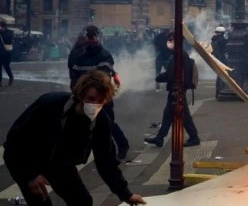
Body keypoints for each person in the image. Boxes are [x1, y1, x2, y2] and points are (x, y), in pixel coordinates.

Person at [3, 70, 146, 206]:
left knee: (82, 201)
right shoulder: (50, 104)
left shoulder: (101, 121)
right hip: (26, 158)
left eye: (100, 101)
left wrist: (126, 194)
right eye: (90, 98)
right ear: (80, 94)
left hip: (60, 163)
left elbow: (106, 161)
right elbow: (14, 141)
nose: (94, 104)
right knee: (41, 201)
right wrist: (29, 174)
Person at [69, 25, 130, 160]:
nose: (90, 41)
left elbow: (103, 80)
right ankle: (85, 152)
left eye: (92, 37)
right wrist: (77, 93)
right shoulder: (80, 57)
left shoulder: (105, 55)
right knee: (85, 124)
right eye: (88, 38)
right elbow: (74, 78)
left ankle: (122, 145)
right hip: (85, 97)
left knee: (108, 124)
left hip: (102, 97)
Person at [144, 32, 200, 147]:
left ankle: (194, 138)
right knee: (168, 114)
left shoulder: (178, 55)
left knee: (183, 115)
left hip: (177, 89)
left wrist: (159, 78)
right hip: (177, 89)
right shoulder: (179, 54)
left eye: (171, 39)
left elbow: (172, 74)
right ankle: (160, 138)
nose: (168, 42)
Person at [211, 26, 228, 96]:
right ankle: (221, 90)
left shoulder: (213, 40)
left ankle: (218, 91)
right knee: (222, 76)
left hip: (216, 59)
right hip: (222, 59)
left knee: (219, 76)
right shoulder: (222, 40)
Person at [0, 20, 14, 87]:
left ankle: (11, 77)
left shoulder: (9, 32)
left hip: (7, 52)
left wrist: (1, 33)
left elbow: (8, 40)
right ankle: (0, 81)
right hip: (0, 53)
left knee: (6, 67)